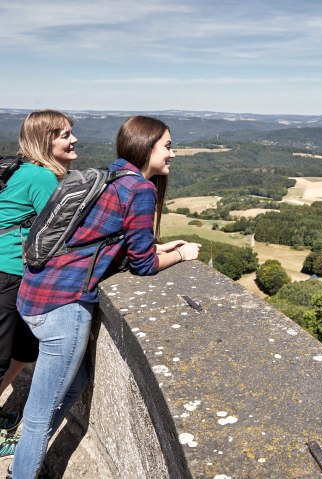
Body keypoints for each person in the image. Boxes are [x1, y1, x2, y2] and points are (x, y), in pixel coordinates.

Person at [11, 116, 201, 478]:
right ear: (147, 148)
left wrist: (159, 247)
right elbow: (143, 266)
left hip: (34, 295)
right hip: (62, 307)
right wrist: (181, 255)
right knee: (37, 418)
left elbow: (114, 242)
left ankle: (26, 460)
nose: (172, 154)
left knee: (77, 381)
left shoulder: (111, 175)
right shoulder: (140, 189)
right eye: (168, 146)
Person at [0, 110, 77, 444]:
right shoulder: (42, 177)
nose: (73, 140)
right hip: (9, 273)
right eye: (64, 135)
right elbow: (63, 232)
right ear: (47, 141)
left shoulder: (22, 168)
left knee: (24, 349)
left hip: (12, 273)